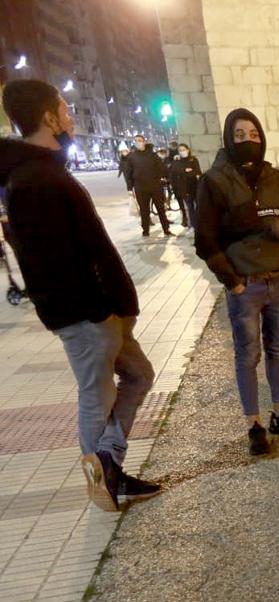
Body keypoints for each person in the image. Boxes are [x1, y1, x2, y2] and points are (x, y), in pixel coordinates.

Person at [0, 78, 160, 511]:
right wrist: (98, 310)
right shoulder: (34, 180)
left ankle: (109, 462)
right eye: (65, 109)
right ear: (49, 117)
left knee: (139, 375)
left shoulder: (44, 172)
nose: (71, 117)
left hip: (99, 312)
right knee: (96, 395)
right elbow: (50, 261)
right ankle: (103, 482)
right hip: (87, 316)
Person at [195, 107, 279, 454]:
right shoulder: (214, 181)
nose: (248, 141)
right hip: (244, 284)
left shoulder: (277, 180)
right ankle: (254, 423)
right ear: (229, 139)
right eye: (240, 135)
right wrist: (232, 282)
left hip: (278, 281)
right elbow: (205, 240)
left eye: (254, 135)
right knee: (248, 355)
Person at [127, 134, 172, 237]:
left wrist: (162, 177)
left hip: (155, 186)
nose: (138, 142)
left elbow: (161, 167)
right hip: (140, 187)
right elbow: (128, 173)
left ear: (144, 142)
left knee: (160, 209)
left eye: (140, 140)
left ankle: (166, 229)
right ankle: (145, 230)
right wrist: (129, 188)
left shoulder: (152, 155)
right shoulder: (132, 156)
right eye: (136, 141)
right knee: (144, 210)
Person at [168, 142, 202, 230]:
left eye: (184, 150)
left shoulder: (193, 160)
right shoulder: (177, 161)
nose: (182, 152)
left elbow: (197, 172)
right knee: (190, 208)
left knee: (199, 206)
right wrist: (185, 171)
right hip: (184, 188)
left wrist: (188, 172)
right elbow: (175, 172)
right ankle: (193, 226)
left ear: (188, 150)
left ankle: (201, 223)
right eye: (180, 150)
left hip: (195, 187)